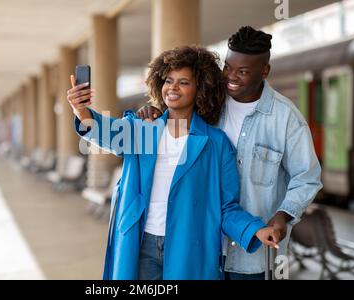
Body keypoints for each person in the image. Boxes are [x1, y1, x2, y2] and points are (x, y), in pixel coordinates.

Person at [67, 45, 280, 280]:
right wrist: (81, 111)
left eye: (184, 82)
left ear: (200, 89)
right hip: (140, 243)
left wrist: (255, 229)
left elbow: (226, 207)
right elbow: (104, 132)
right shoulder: (142, 129)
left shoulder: (216, 143)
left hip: (189, 248)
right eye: (169, 80)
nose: (173, 88)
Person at [137, 26, 323, 280]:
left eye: (243, 71)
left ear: (264, 70)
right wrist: (154, 111)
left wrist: (283, 215)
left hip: (252, 255)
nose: (231, 77)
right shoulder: (206, 101)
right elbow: (174, 113)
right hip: (201, 247)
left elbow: (307, 177)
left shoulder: (286, 119)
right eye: (228, 67)